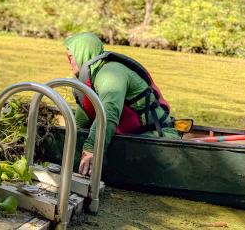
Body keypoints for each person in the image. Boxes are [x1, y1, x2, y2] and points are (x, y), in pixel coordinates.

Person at [64, 32, 180, 176]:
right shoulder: (87, 79)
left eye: (70, 57)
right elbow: (81, 123)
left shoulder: (111, 73)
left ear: (83, 53)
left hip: (157, 136)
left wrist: (90, 149)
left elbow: (108, 114)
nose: (69, 62)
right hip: (128, 136)